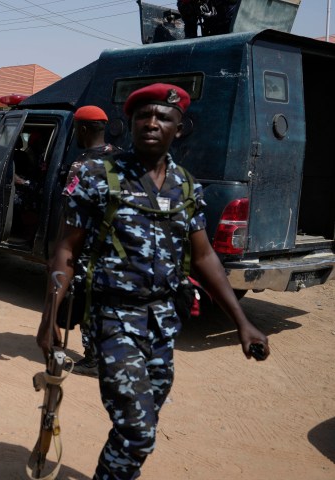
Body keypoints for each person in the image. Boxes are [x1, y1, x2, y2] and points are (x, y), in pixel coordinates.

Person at [37, 83, 270, 480]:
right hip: (112, 319)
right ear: (128, 124)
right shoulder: (98, 177)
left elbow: (203, 257)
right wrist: (49, 318)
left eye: (163, 117)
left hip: (163, 321)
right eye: (142, 116)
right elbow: (66, 251)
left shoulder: (186, 186)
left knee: (140, 423)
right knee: (138, 430)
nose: (151, 123)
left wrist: (241, 321)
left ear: (179, 128)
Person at [64, 105, 121, 377]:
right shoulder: (124, 159)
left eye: (76, 127)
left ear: (83, 129)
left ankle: (94, 359)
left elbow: (70, 211)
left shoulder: (81, 166)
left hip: (92, 249)